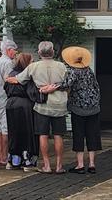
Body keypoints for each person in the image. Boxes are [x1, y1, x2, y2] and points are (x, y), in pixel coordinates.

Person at [6, 41, 67, 174]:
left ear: (39, 53)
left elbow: (17, 79)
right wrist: (56, 86)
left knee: (43, 135)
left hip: (42, 104)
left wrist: (7, 78)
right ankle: (59, 166)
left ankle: (46, 165)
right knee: (58, 135)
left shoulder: (33, 66)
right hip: (59, 105)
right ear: (53, 52)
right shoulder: (62, 66)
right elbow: (67, 83)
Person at [42, 46, 102, 174]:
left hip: (78, 108)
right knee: (92, 135)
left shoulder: (73, 71)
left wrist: (52, 87)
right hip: (94, 108)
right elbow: (96, 88)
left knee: (79, 135)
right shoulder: (89, 70)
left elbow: (65, 85)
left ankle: (80, 165)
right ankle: (92, 164)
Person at [4, 53, 38, 171]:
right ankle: (27, 158)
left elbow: (6, 88)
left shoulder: (11, 74)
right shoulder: (27, 75)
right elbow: (32, 92)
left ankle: (13, 158)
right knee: (26, 132)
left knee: (13, 132)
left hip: (10, 103)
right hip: (25, 105)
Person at [0, 39, 17, 165]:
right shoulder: (8, 63)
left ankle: (0, 155)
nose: (15, 53)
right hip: (5, 98)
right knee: (5, 128)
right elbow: (9, 80)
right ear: (9, 50)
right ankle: (5, 156)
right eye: (14, 50)